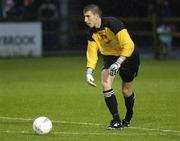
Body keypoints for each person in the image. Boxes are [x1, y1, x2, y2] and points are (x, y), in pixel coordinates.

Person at [83, 4, 140, 129]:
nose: (85, 20)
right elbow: (91, 54)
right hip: (110, 56)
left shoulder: (113, 23)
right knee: (105, 82)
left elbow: (129, 44)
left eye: (88, 16)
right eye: (84, 17)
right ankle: (116, 120)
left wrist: (119, 62)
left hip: (128, 55)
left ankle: (129, 114)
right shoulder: (91, 33)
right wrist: (89, 72)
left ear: (97, 16)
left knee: (126, 90)